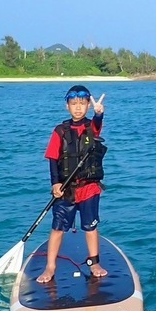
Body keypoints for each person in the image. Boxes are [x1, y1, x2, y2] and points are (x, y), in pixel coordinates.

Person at [36, 84, 108, 284]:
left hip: (89, 188)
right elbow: (52, 158)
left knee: (90, 227)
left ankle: (94, 263)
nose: (78, 107)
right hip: (65, 189)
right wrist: (55, 184)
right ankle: (50, 266)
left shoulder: (92, 127)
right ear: (67, 106)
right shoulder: (60, 131)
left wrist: (99, 113)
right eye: (73, 103)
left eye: (82, 103)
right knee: (58, 228)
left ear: (88, 106)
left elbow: (97, 122)